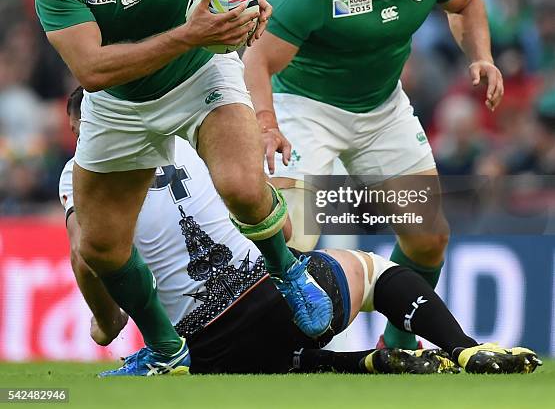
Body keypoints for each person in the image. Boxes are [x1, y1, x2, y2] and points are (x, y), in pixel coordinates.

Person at [31, 0, 332, 376]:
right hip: (117, 100)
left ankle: (290, 273)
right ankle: (169, 353)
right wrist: (190, 33)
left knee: (242, 186)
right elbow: (93, 70)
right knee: (99, 249)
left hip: (199, 77)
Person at [61, 86, 540, 376]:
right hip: (277, 304)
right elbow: (282, 223)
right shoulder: (192, 135)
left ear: (83, 130)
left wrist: (106, 323)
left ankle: (363, 365)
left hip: (203, 351)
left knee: (259, 358)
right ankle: (464, 349)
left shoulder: (75, 173)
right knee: (375, 272)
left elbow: (86, 256)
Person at [242, 0, 504, 351]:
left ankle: (399, 344)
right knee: (291, 234)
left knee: (428, 238)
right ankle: (267, 344)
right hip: (305, 108)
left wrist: (481, 57)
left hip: (382, 109)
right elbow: (256, 56)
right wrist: (265, 122)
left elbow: (466, 3)